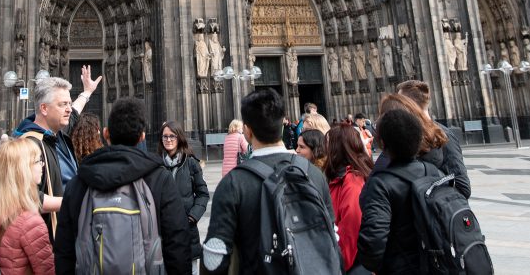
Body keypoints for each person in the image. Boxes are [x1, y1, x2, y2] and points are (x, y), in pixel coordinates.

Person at [202, 88, 336, 274]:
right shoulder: (313, 174)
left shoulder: (233, 183)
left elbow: (213, 260)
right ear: (282, 125)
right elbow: (332, 237)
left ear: (247, 131)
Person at [53, 97, 192, 274]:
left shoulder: (79, 182)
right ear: (142, 136)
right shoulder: (159, 179)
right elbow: (178, 243)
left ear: (105, 133)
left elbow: (64, 250)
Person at [14, 66, 101, 238]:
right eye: (63, 104)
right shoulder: (29, 144)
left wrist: (87, 92)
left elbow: (74, 112)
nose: (68, 108)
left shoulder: (57, 133)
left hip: (67, 228)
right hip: (47, 236)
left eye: (69, 103)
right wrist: (74, 201)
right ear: (44, 109)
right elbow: (25, 197)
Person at [355, 107, 428, 273]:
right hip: (434, 263)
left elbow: (373, 241)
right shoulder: (433, 171)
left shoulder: (380, 184)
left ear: (383, 144)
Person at [0, 137, 55, 275]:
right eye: (37, 161)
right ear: (22, 170)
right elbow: (47, 271)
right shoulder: (29, 222)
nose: (42, 165)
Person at [392, 80, 471, 198]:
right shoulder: (407, 135)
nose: (395, 108)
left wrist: (423, 200)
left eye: (399, 103)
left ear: (410, 105)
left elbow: (462, 187)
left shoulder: (443, 135)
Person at [159, 121, 210, 272]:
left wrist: (192, 217)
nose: (168, 140)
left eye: (172, 136)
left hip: (187, 230)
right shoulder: (156, 165)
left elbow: (203, 194)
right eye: (165, 136)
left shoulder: (191, 163)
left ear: (179, 137)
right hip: (164, 232)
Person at [325, 123, 374, 271]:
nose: (324, 150)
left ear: (337, 149)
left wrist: (337, 267)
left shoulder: (352, 182)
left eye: (328, 145)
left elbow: (350, 234)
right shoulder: (341, 178)